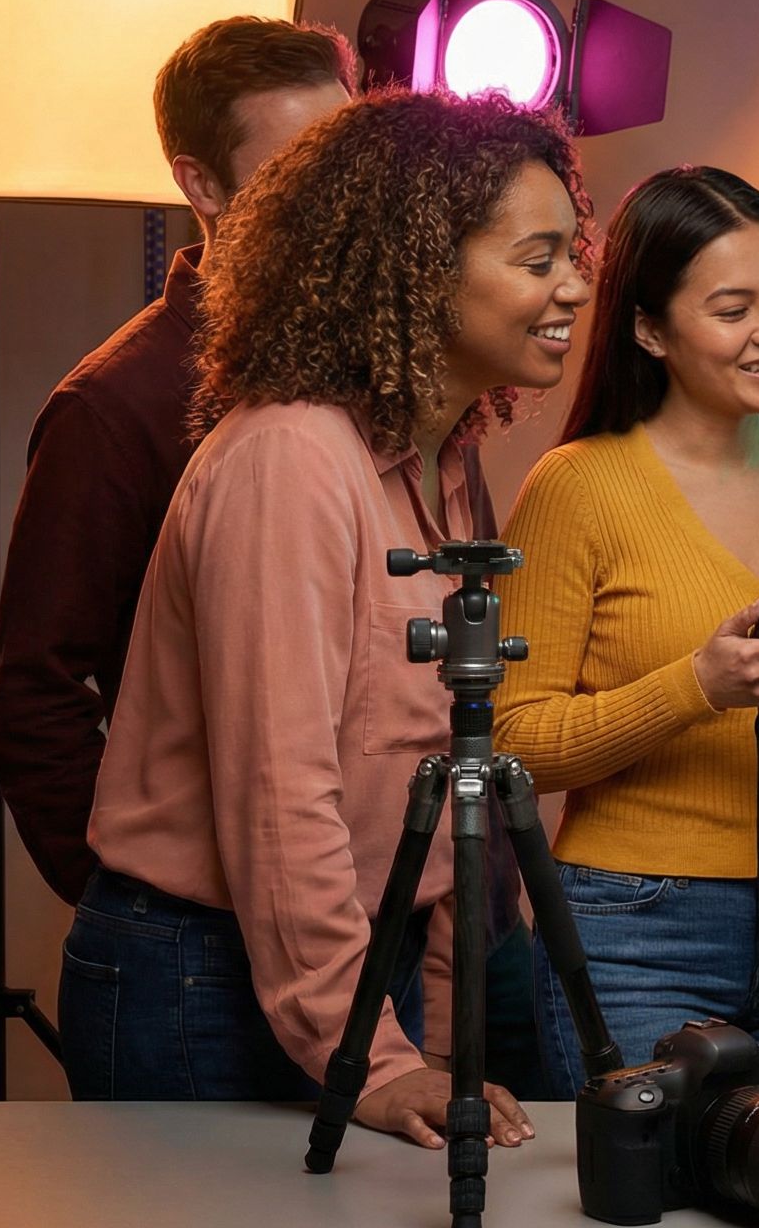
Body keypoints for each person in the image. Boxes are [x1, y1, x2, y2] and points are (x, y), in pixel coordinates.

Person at [60, 90, 592, 1149]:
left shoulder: (440, 462)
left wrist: (434, 1033)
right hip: (202, 977)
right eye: (538, 261)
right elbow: (280, 791)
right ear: (418, 268)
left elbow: (441, 775)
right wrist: (376, 1059)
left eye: (574, 255)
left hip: (353, 962)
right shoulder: (290, 458)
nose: (574, 287)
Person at [493, 167, 759, 1094]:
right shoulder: (577, 487)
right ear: (651, 330)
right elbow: (512, 747)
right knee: (645, 1215)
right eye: (732, 309)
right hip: (633, 928)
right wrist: (698, 687)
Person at [0, 17, 350, 905]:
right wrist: (135, 902)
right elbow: (34, 697)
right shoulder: (115, 406)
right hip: (202, 941)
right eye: (298, 174)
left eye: (345, 164)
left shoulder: (367, 366)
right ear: (201, 184)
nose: (340, 202)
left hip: (360, 900)